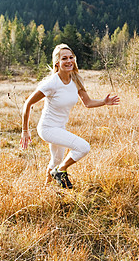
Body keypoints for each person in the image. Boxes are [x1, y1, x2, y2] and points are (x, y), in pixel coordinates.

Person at [20, 44, 120, 189]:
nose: (68, 61)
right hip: (47, 128)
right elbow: (28, 103)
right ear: (57, 63)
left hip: (60, 127)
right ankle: (61, 171)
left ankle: (45, 189)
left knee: (56, 160)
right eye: (64, 58)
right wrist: (25, 130)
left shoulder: (75, 80)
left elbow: (88, 102)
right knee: (83, 147)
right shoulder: (51, 83)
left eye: (71, 57)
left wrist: (104, 102)